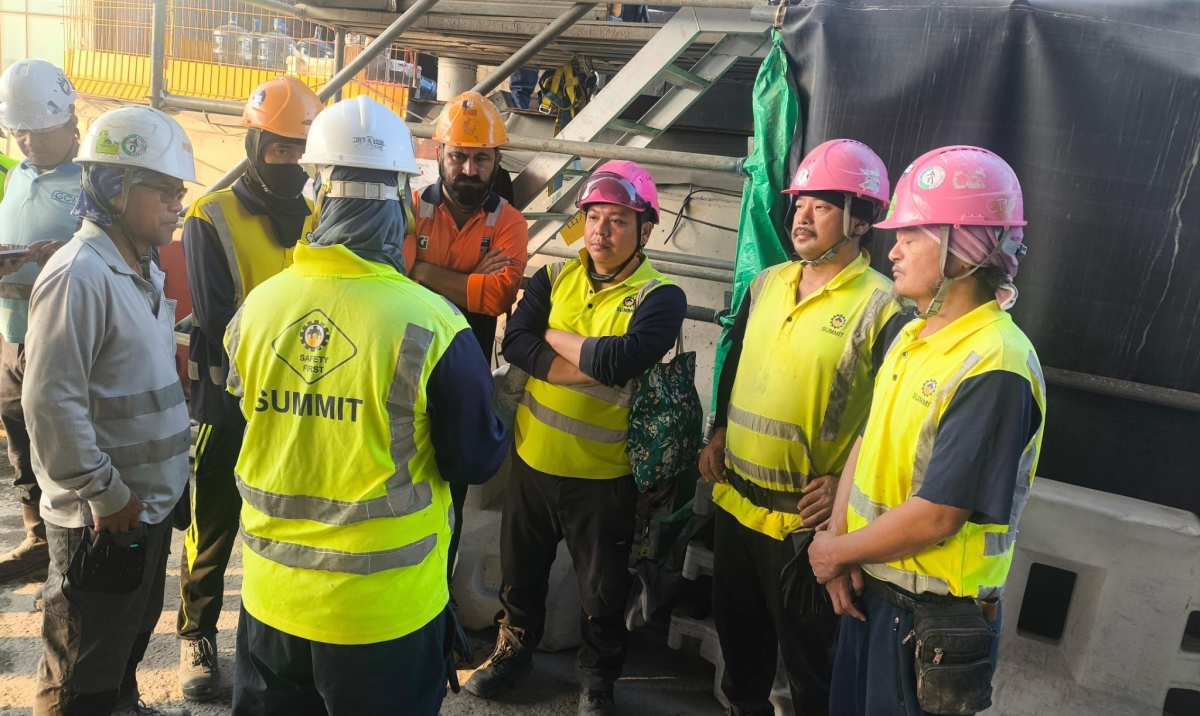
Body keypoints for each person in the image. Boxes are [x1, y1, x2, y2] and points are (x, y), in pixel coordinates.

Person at [225, 96, 509, 716]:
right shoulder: (435, 325)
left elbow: (252, 423)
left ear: (316, 194)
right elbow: (473, 459)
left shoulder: (258, 308)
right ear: (404, 200)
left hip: (271, 603)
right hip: (384, 615)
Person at [808, 146, 1045, 716]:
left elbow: (939, 515)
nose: (893, 250)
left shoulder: (995, 364)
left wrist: (836, 550)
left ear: (962, 248)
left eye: (911, 236)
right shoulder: (913, 336)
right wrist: (836, 543)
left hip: (928, 624)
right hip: (871, 593)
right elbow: (866, 442)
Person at [466, 161, 687, 716]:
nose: (600, 232)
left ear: (645, 228)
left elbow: (619, 361)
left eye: (618, 220)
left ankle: (596, 682)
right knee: (520, 577)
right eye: (593, 218)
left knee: (602, 592)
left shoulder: (661, 296)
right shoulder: (554, 277)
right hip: (533, 463)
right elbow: (514, 342)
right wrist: (579, 361)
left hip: (604, 478)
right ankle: (513, 655)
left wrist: (549, 336)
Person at [698, 139, 910, 716]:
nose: (802, 217)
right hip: (737, 504)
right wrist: (718, 433)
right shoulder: (766, 283)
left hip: (805, 527)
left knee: (813, 673)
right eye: (798, 205)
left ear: (861, 220)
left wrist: (845, 481)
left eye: (821, 206)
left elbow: (894, 419)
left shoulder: (885, 307)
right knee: (740, 656)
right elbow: (736, 363)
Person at [25, 105, 196, 716]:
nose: (178, 203)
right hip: (101, 516)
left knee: (122, 644)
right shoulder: (79, 275)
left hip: (141, 508)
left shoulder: (140, 267)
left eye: (180, 191)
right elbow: (50, 402)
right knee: (80, 668)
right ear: (117, 188)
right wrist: (103, 491)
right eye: (165, 189)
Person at [176, 76, 323, 702]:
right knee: (211, 526)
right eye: (280, 149)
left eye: (300, 150)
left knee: (288, 529)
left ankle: (282, 639)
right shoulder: (210, 216)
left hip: (291, 405)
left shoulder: (315, 219)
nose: (290, 162)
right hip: (225, 403)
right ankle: (196, 634)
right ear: (255, 145)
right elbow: (217, 317)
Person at [403, 90, 528, 584]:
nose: (469, 170)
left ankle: (440, 597)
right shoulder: (411, 207)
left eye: (482, 159)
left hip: (465, 373)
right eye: (458, 156)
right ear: (439, 154)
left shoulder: (510, 222)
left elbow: (495, 298)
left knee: (451, 491)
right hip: (404, 368)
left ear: (497, 161)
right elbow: (392, 275)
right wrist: (470, 279)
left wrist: (423, 272)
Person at [0, 59, 84, 584]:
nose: (28, 142)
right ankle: (36, 538)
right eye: (19, 132)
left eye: (39, 131)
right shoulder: (17, 175)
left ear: (71, 123)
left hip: (58, 338)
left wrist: (69, 255)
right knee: (20, 441)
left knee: (60, 444)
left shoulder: (94, 181)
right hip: (11, 334)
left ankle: (68, 553)